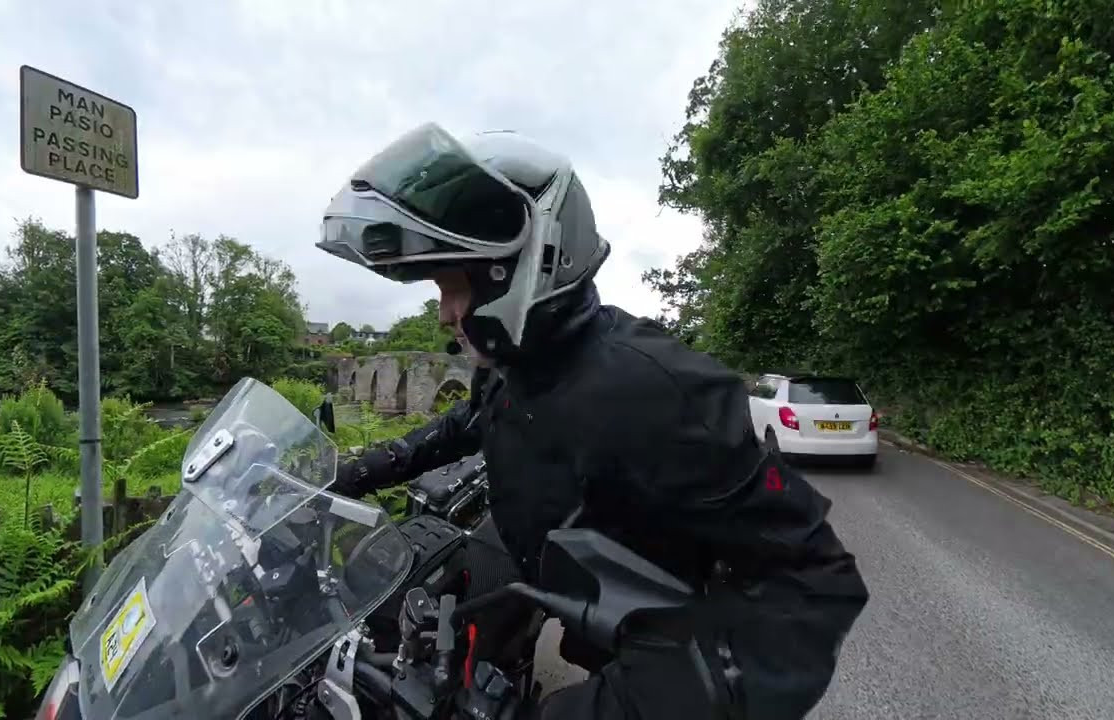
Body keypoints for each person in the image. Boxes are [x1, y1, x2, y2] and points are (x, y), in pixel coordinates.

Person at [317, 122, 869, 719]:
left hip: (658, 640)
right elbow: (461, 426)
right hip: (565, 588)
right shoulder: (515, 366)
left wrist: (619, 707)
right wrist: (356, 470)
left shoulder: (658, 390)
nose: (445, 313)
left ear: (519, 269)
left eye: (452, 286)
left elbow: (815, 579)